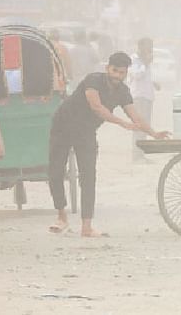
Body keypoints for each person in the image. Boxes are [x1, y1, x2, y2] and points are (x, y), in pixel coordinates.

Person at [47, 52, 170, 238]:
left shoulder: (123, 91)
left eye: (122, 73)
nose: (117, 76)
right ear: (108, 68)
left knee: (88, 175)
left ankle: (86, 227)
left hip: (86, 131)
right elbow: (97, 107)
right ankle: (61, 217)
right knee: (55, 171)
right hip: (63, 125)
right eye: (115, 71)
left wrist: (153, 133)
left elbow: (135, 116)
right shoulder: (93, 80)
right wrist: (122, 123)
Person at [129, 38, 160, 164]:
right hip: (139, 97)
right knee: (139, 126)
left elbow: (145, 78)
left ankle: (141, 154)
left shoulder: (144, 61)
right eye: (148, 47)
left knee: (145, 126)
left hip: (147, 96)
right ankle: (136, 156)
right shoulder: (135, 59)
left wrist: (154, 83)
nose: (150, 50)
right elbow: (136, 75)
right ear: (141, 47)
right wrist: (146, 64)